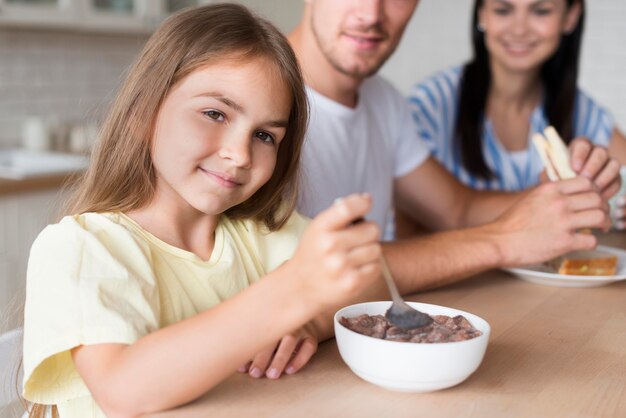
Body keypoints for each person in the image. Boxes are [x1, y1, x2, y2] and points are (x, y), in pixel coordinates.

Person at [21, 4, 382, 417]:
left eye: (264, 135)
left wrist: (309, 322)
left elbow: (365, 285)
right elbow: (124, 391)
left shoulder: (260, 234)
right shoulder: (83, 247)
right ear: (144, 111)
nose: (239, 153)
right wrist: (294, 292)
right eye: (215, 113)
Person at [288, 0, 620, 291]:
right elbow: (318, 273)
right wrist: (501, 241)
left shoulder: (383, 101)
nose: (371, 13)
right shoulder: (260, 101)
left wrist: (562, 196)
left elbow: (456, 210)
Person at [408, 0, 626, 228]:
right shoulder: (429, 106)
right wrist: (556, 197)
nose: (519, 29)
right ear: (482, 14)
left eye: (540, 11)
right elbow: (420, 223)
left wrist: (611, 188)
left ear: (570, 17)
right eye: (503, 10)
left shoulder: (580, 109)